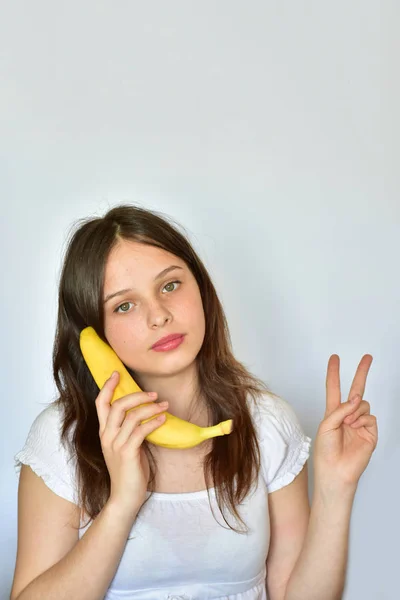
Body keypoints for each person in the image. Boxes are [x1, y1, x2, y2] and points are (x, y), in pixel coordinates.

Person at [11, 204, 378, 600]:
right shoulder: (63, 437)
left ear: (201, 287)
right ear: (94, 334)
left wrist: (335, 490)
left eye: (170, 285)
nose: (159, 316)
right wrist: (122, 503)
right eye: (124, 305)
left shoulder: (267, 422)